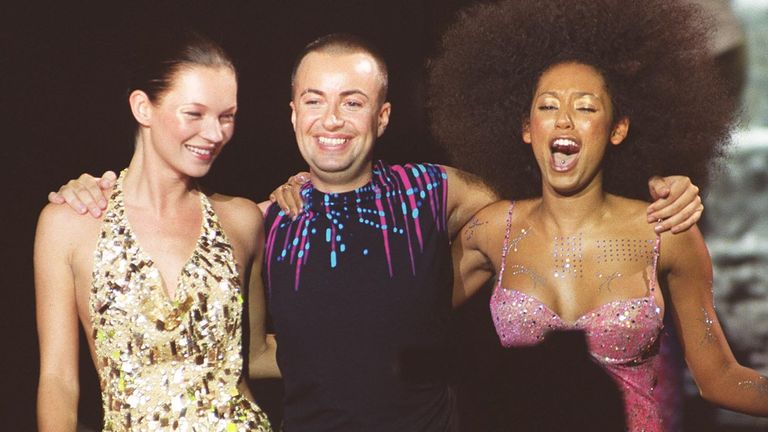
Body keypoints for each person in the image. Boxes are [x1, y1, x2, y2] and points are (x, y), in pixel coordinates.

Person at [48, 33, 704, 432]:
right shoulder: (267, 219)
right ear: (292, 114)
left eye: (352, 101)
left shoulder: (438, 191)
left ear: (382, 116)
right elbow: (249, 357)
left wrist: (658, 187)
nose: (331, 119)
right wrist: (93, 190)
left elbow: (560, 207)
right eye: (314, 100)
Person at [427, 0, 768, 430]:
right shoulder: (493, 230)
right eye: (548, 106)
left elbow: (719, 379)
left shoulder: (664, 232)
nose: (565, 120)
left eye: (586, 107)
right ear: (526, 127)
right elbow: (404, 315)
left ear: (617, 128)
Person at [34, 30, 276, 431]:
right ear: (143, 108)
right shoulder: (69, 224)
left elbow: (255, 357)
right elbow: (58, 381)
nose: (215, 134)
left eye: (226, 116)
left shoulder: (242, 220)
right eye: (194, 114)